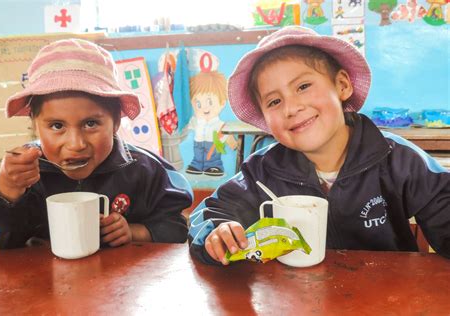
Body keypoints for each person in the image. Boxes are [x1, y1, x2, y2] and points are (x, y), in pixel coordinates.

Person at [188, 26, 450, 265]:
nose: (291, 107)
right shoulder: (262, 170)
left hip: (388, 297)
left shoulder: (396, 159)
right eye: (274, 102)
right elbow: (210, 213)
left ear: (342, 85)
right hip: (296, 298)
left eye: (303, 86)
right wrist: (218, 232)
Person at [0, 38, 193, 249]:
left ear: (116, 121)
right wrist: (8, 190)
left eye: (90, 123)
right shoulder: (25, 175)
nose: (76, 144)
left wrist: (135, 231)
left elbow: (179, 227)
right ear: (35, 124)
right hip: (46, 282)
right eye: (57, 126)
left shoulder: (146, 170)